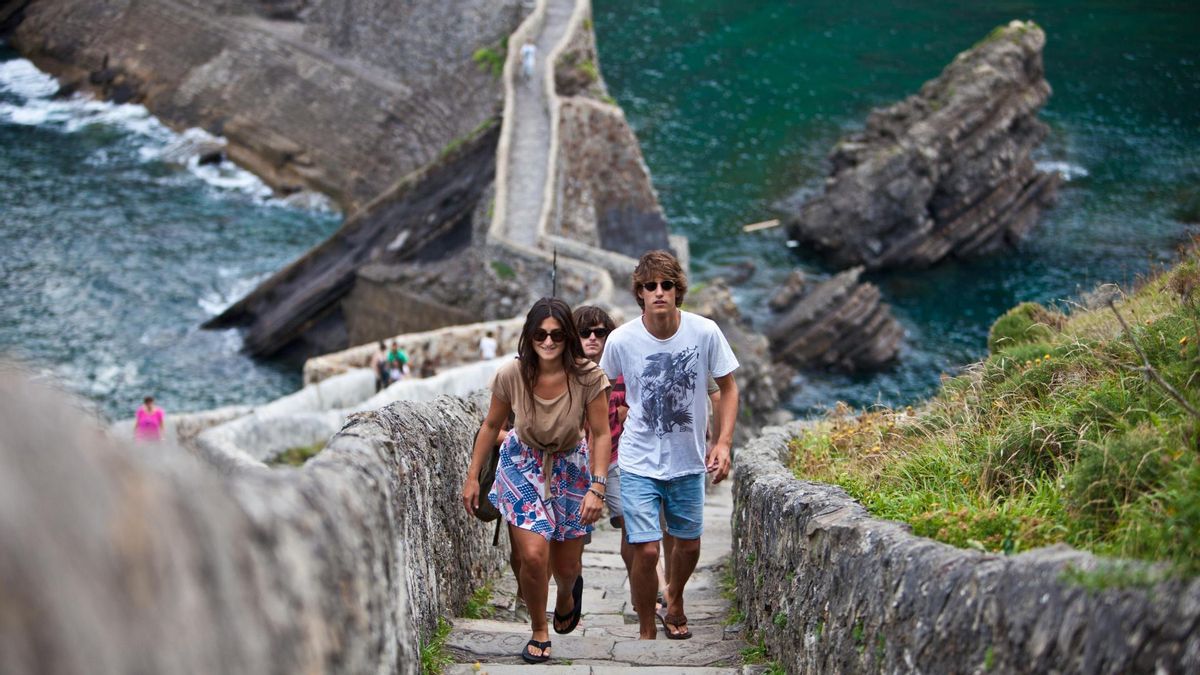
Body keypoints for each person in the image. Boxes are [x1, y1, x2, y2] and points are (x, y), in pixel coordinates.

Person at [461, 297, 612, 664]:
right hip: (521, 463)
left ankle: (565, 596)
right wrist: (472, 477)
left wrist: (598, 485)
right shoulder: (512, 375)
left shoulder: (588, 376)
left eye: (557, 335)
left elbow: (601, 433)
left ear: (568, 338)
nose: (548, 342)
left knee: (566, 568)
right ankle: (539, 631)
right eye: (540, 335)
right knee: (531, 554)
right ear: (529, 337)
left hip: (571, 469)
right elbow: (491, 426)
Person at [599, 250, 739, 641]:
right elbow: (599, 390)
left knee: (689, 544)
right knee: (645, 550)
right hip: (637, 460)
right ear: (639, 293)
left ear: (678, 291)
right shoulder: (622, 339)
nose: (658, 292)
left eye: (666, 285)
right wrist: (602, 436)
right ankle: (646, 629)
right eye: (649, 286)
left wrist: (723, 443)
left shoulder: (705, 332)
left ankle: (673, 596)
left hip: (688, 460)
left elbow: (727, 388)